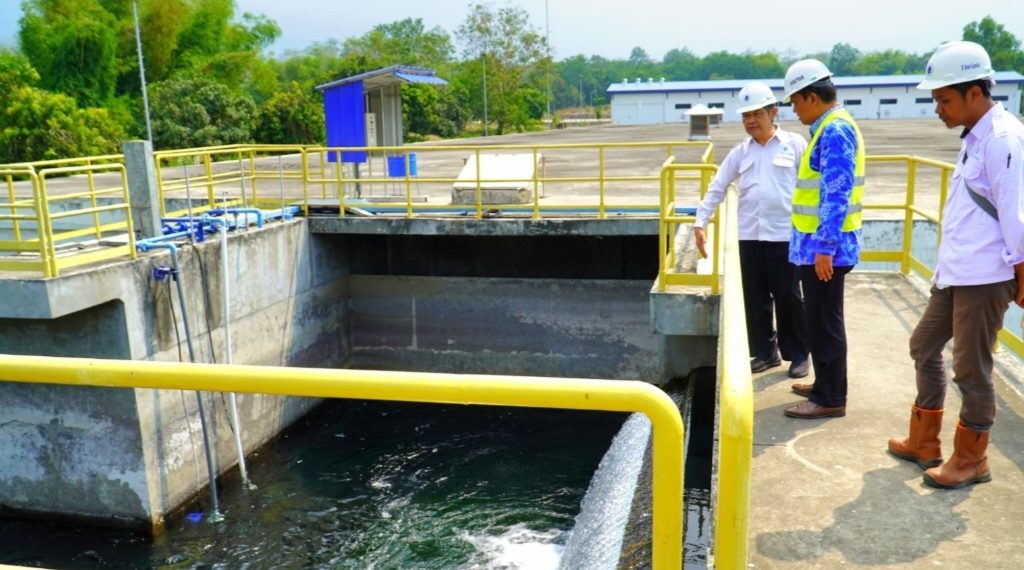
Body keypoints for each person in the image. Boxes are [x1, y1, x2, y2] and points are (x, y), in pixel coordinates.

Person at [887, 41, 1024, 489]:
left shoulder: (1004, 139)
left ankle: (972, 460)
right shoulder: (976, 137)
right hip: (956, 273)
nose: (938, 109)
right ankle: (925, 441)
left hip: (985, 278)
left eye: (944, 99)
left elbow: (1015, 215)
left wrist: (1021, 279)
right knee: (924, 345)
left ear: (975, 93)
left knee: (971, 369)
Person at [693, 81, 810, 378]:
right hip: (749, 236)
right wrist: (700, 222)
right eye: (746, 115)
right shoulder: (740, 152)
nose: (750, 121)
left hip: (785, 235)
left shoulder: (794, 144)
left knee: (788, 297)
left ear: (773, 113)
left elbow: (813, 188)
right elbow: (717, 187)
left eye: (756, 113)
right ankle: (765, 353)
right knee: (755, 299)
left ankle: (798, 355)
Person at [780, 59, 865, 419]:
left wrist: (824, 249)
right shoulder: (826, 127)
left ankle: (830, 398)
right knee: (818, 320)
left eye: (795, 102)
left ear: (811, 97)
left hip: (825, 250)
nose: (794, 110)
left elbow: (836, 193)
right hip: (816, 248)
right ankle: (823, 385)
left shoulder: (834, 130)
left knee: (825, 323)